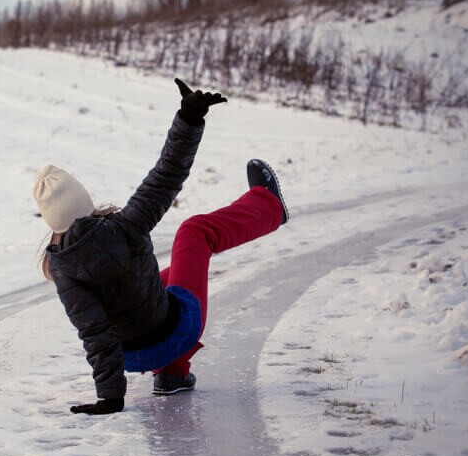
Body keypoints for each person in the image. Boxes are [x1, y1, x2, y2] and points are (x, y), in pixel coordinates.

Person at [33, 78, 288, 415]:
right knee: (193, 232)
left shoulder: (62, 267)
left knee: (162, 277)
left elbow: (94, 332)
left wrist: (111, 396)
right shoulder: (126, 225)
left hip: (134, 354)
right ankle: (269, 206)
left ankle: (172, 375)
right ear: (85, 202)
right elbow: (166, 174)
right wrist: (190, 118)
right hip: (175, 332)